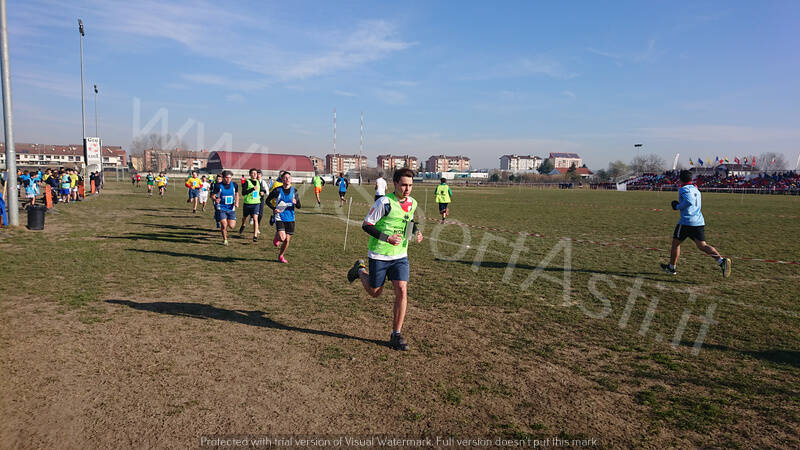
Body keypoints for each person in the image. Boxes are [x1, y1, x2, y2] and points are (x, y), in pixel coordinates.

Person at [346, 168, 423, 351]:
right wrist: (386, 238)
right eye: (404, 185)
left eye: (410, 185)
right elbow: (367, 225)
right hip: (379, 254)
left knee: (402, 290)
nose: (407, 189)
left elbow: (408, 222)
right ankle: (359, 270)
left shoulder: (412, 202)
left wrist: (415, 232)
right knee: (375, 292)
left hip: (400, 256)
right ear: (395, 184)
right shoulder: (384, 202)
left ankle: (396, 334)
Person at [661, 170, 732, 278]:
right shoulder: (696, 189)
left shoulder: (683, 189)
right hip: (698, 221)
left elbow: (689, 201)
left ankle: (672, 268)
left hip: (686, 222)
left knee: (675, 244)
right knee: (703, 246)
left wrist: (677, 207)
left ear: (680, 179)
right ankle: (721, 261)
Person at [265, 171, 300, 263]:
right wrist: (274, 208)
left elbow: (299, 206)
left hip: (290, 217)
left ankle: (281, 256)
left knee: (287, 240)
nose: (287, 179)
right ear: (282, 179)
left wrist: (296, 203)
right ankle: (277, 237)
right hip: (279, 216)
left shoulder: (295, 191)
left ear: (291, 179)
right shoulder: (277, 190)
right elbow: (267, 201)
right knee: (282, 238)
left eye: (289, 178)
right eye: (285, 178)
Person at [211, 170, 239, 246]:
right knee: (224, 225)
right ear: (223, 177)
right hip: (221, 208)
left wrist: (237, 202)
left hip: (231, 208)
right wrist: (215, 199)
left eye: (230, 178)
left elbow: (237, 194)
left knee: (232, 226)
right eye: (227, 178)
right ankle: (225, 240)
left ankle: (226, 220)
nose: (228, 179)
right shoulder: (218, 186)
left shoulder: (235, 185)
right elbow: (212, 195)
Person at [239, 168, 265, 242]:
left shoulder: (258, 182)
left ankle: (255, 236)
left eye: (255, 173)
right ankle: (243, 225)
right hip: (247, 203)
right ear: (250, 174)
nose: (254, 174)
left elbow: (262, 189)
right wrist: (252, 189)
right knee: (245, 218)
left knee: (255, 219)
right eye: (253, 173)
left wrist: (262, 192)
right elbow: (243, 193)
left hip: (256, 203)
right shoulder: (247, 182)